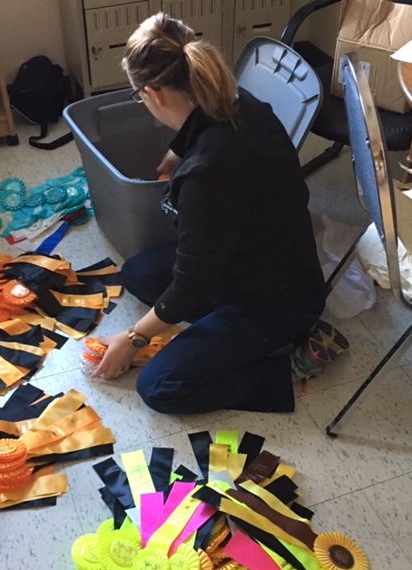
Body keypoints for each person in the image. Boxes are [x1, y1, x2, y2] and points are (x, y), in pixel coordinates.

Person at [92, 12, 327, 414]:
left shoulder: (207, 174)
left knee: (159, 387)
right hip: (253, 260)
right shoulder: (238, 101)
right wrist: (177, 149)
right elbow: (204, 134)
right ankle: (221, 336)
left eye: (139, 95)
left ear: (155, 93)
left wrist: (132, 339)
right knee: (138, 272)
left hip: (272, 301)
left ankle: (281, 368)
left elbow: (190, 286)